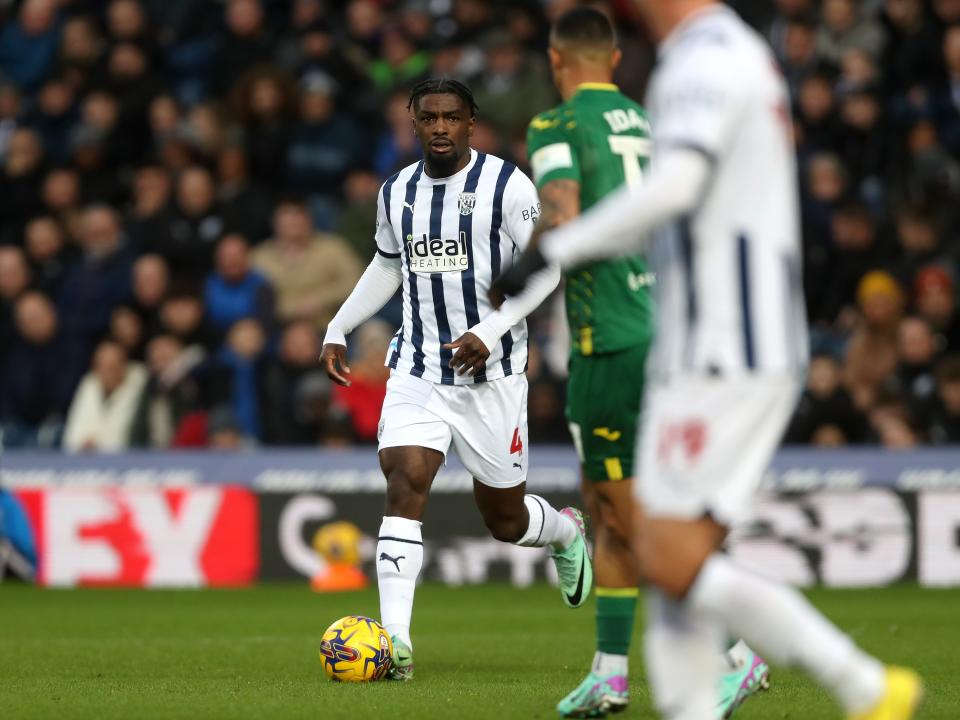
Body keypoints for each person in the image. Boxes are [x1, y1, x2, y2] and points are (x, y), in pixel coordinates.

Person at [495, 3, 922, 719]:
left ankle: (861, 683)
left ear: (556, 59)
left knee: (661, 547)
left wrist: (553, 250)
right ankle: (691, 691)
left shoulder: (697, 62)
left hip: (720, 345)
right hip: (688, 337)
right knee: (664, 560)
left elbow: (678, 186)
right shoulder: (686, 79)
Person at [525, 8, 768, 718]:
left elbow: (563, 214)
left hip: (610, 337)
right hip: (667, 326)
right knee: (606, 507)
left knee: (632, 514)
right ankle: (609, 672)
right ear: (616, 56)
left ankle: (734, 652)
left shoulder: (556, 127)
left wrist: (518, 272)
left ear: (555, 58)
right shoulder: (651, 119)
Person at [320, 78, 591, 682]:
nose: (440, 127)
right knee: (405, 478)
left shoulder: (507, 186)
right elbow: (389, 266)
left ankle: (565, 531)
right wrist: (338, 326)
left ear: (472, 124)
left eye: (452, 117)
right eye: (429, 117)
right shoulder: (396, 193)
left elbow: (547, 270)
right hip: (417, 367)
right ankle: (395, 646)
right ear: (412, 123)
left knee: (506, 521)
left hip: (492, 376)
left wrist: (492, 331)